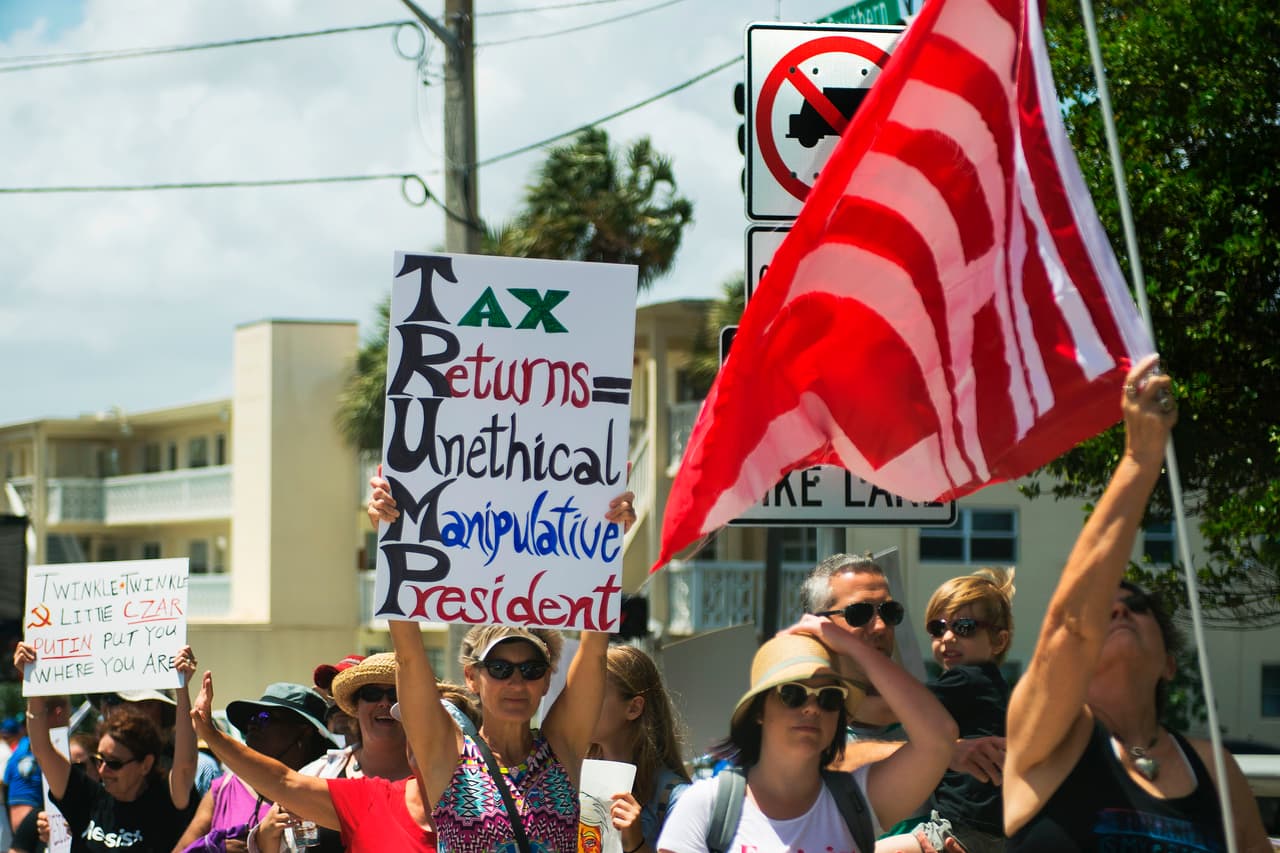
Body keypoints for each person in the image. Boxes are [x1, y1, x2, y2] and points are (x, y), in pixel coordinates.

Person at [1003, 356, 1270, 851]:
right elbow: (1069, 627)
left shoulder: (1213, 768)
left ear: (1169, 663)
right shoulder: (1046, 738)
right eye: (1105, 607)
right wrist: (1140, 459)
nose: (1119, 610)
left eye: (1138, 605)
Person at [656, 622, 956, 853]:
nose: (812, 708)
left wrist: (853, 647)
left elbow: (939, 739)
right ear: (759, 710)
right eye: (793, 693)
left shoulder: (856, 800)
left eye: (829, 697)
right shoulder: (705, 805)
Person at [187, 664, 469, 853]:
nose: (384, 702)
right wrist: (266, 837)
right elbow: (282, 782)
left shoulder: (472, 794)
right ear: (356, 707)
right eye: (372, 693)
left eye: (395, 694)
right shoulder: (327, 777)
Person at [803, 554, 1007, 789]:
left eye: (889, 612)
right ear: (818, 626)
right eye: (859, 613)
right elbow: (811, 763)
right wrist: (938, 752)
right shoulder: (791, 710)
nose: (881, 626)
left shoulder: (942, 708)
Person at [13, 643, 200, 853]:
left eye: (114, 763)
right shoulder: (88, 798)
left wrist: (182, 687)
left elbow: (186, 765)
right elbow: (42, 750)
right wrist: (33, 682)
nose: (103, 770)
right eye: (99, 760)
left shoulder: (165, 802)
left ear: (146, 764)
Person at [879, 568, 1015, 853]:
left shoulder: (968, 679)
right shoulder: (993, 686)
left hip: (958, 831)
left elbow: (896, 707)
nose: (948, 637)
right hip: (988, 833)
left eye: (965, 627)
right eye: (938, 628)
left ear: (999, 641)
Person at [174, 682, 336, 852]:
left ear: (304, 731)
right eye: (253, 718)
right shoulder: (224, 789)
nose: (253, 724)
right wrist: (214, 848)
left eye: (265, 717)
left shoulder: (320, 794)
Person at [588, 644, 692, 853]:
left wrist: (635, 843)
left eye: (595, 694)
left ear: (634, 708)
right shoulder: (573, 780)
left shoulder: (679, 799)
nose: (582, 705)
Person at [4, 696, 70, 833]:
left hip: (20, 825)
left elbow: (6, 781)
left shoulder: (20, 748)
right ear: (59, 712)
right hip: (40, 824)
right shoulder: (52, 750)